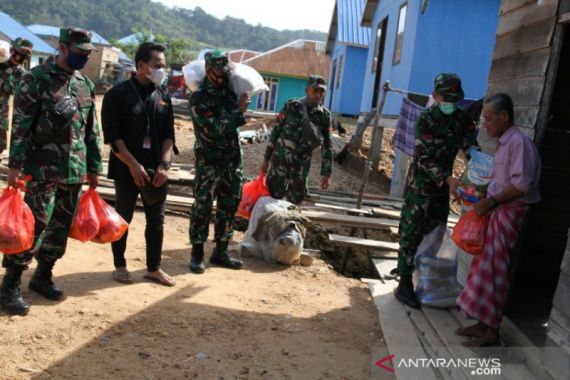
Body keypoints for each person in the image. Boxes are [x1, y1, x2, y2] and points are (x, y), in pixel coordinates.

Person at [1, 28, 102, 316]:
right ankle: (9, 284)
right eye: (79, 51)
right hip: (40, 169)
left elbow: (91, 131)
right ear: (62, 47)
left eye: (87, 53)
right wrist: (15, 167)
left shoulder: (85, 84)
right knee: (31, 227)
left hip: (73, 170)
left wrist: (94, 167)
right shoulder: (35, 80)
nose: (83, 57)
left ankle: (43, 276)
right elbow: (21, 125)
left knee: (60, 227)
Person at [455, 93, 541, 346]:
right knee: (484, 268)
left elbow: (522, 185)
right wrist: (479, 193)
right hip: (496, 212)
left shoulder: (519, 144)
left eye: (489, 119)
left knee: (495, 273)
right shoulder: (504, 143)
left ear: (504, 116)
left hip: (508, 213)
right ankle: (481, 323)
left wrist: (491, 202)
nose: (486, 125)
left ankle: (491, 331)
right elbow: (501, 180)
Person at [394, 73, 478, 309]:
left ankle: (427, 281)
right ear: (435, 96)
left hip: (443, 188)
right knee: (411, 233)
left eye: (455, 98)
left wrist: (478, 169)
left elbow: (470, 145)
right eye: (447, 98)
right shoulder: (426, 119)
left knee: (436, 235)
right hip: (420, 187)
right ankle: (404, 283)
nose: (452, 103)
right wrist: (448, 179)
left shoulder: (463, 118)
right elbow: (423, 157)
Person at [102, 42, 176, 286]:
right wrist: (133, 165)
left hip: (156, 171)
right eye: (158, 66)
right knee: (123, 217)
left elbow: (168, 136)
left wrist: (164, 166)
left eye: (163, 66)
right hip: (126, 169)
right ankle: (119, 265)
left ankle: (153, 268)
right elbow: (113, 138)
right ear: (142, 66)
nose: (162, 71)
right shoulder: (117, 95)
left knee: (157, 220)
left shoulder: (163, 97)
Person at [187, 50, 250, 274]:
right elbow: (214, 129)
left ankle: (221, 252)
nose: (223, 76)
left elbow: (232, 125)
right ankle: (196, 254)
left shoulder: (229, 94)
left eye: (225, 71)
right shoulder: (199, 98)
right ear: (208, 70)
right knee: (202, 207)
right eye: (218, 71)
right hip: (210, 162)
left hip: (232, 161)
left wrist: (239, 106)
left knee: (229, 207)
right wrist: (238, 111)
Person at [261, 75, 333, 205]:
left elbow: (328, 146)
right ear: (307, 90)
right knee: (272, 199)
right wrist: (266, 159)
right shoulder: (291, 105)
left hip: (301, 166)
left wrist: (326, 174)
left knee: (294, 203)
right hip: (280, 162)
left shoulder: (324, 116)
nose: (318, 94)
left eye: (321, 92)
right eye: (315, 90)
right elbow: (276, 132)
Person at [0, 38, 33, 156]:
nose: (20, 57)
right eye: (19, 52)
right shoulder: (1, 60)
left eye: (25, 54)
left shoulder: (21, 74)